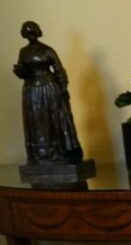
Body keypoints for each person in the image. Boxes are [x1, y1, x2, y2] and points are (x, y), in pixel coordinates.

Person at [14, 21, 87, 166]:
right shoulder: (23, 52)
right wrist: (20, 72)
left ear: (38, 32)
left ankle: (58, 153)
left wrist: (63, 88)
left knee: (53, 120)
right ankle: (39, 155)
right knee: (36, 121)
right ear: (24, 35)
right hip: (31, 91)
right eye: (28, 33)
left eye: (33, 31)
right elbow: (24, 72)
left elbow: (59, 70)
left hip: (49, 88)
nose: (31, 35)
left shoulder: (47, 50)